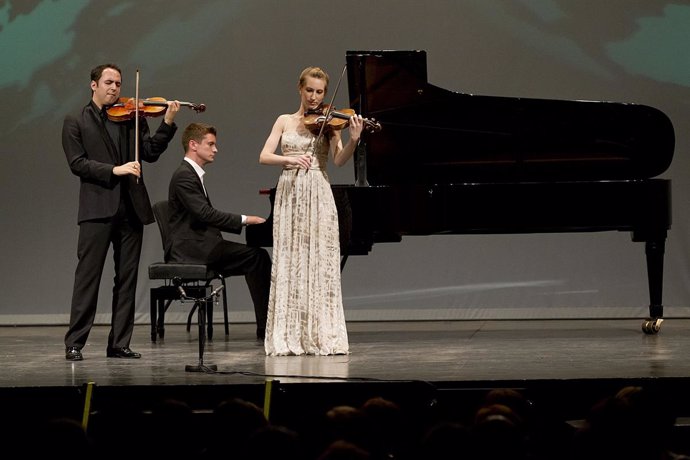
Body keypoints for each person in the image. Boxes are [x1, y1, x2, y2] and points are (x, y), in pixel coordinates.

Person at [62, 63, 180, 361]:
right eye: (109, 82)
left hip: (131, 208)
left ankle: (119, 343)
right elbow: (78, 164)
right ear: (94, 84)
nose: (114, 88)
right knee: (88, 277)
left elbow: (150, 153)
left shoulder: (132, 118)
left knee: (126, 279)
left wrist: (167, 122)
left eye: (118, 83)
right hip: (97, 210)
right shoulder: (75, 120)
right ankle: (75, 342)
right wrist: (115, 169)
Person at [259, 66, 364, 356]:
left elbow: (339, 160)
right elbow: (264, 155)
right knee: (290, 258)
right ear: (299, 89)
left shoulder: (329, 124)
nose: (315, 97)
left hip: (318, 192)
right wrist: (289, 160)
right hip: (290, 193)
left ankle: (319, 333)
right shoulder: (284, 120)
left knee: (318, 261)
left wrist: (354, 139)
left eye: (320, 92)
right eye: (310, 90)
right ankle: (289, 333)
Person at [167, 122, 271, 340]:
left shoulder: (191, 174)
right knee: (258, 258)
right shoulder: (184, 175)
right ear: (193, 145)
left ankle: (267, 324)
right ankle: (267, 326)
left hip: (202, 245)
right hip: (194, 250)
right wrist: (245, 219)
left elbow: (205, 214)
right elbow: (205, 214)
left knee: (257, 257)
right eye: (211, 144)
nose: (216, 149)